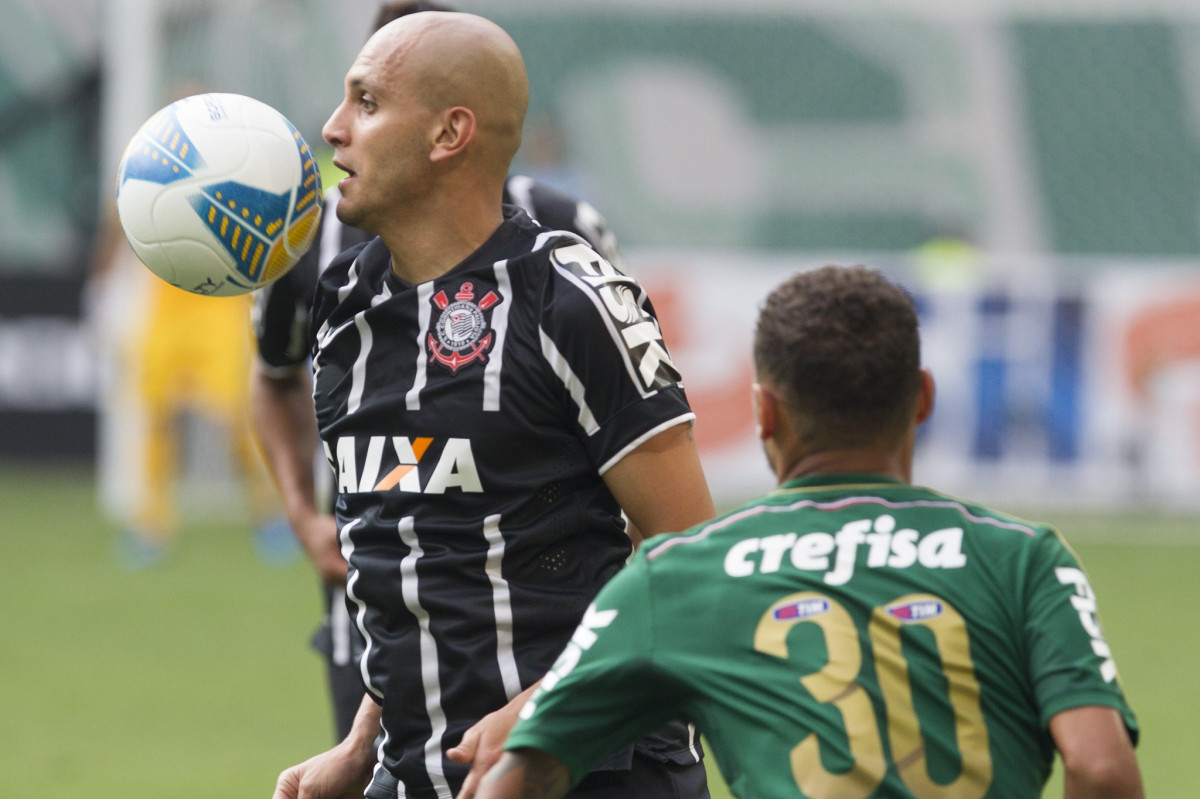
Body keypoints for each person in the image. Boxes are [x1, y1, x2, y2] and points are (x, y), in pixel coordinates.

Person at [478, 265, 1144, 799]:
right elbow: (1103, 768)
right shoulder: (1024, 559)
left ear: (764, 412)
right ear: (923, 399)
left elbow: (515, 776)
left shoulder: (676, 574)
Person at [271, 11, 715, 799]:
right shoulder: (345, 306)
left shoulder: (567, 298)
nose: (334, 130)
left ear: (449, 134)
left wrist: (548, 707)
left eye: (366, 103)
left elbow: (687, 562)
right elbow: (421, 561)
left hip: (593, 767)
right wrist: (365, 742)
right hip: (415, 768)